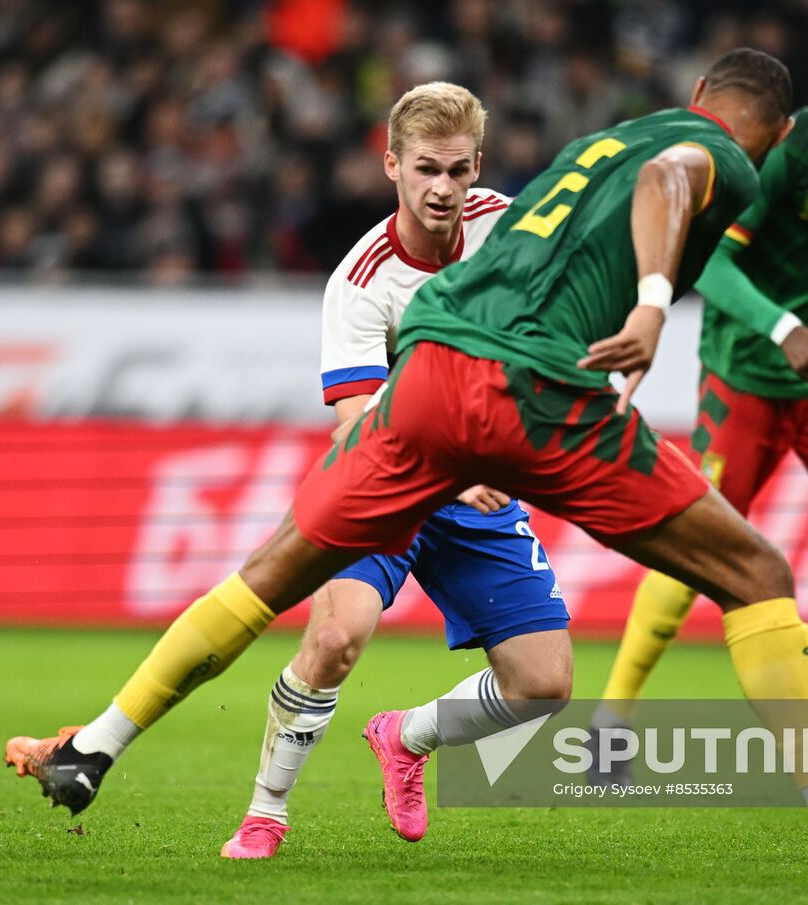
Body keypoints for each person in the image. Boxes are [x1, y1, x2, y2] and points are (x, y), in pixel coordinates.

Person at [4, 49, 808, 890]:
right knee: (757, 574)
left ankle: (95, 744)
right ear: (769, 133)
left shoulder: (593, 146)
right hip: (531, 396)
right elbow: (669, 187)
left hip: (430, 377)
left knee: (271, 570)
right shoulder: (724, 155)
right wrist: (651, 305)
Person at [214, 82, 571, 859]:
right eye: (425, 169)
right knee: (337, 636)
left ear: (476, 166)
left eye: (457, 169)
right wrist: (456, 464)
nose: (442, 188)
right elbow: (358, 420)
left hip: (479, 484)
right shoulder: (361, 279)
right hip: (384, 479)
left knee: (544, 684)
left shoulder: (510, 231)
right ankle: (265, 810)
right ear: (391, 165)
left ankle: (403, 736)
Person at [592, 24, 808, 797]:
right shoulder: (786, 154)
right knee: (699, 543)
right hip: (746, 371)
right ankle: (610, 718)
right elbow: (711, 262)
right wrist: (784, 328)